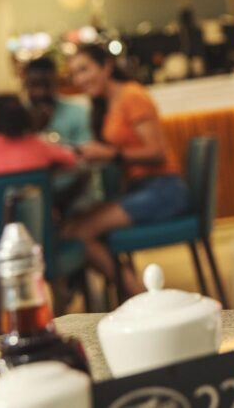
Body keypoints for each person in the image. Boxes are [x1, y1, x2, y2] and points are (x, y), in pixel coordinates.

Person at [62, 44, 188, 295]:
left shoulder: (131, 95)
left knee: (79, 233)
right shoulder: (106, 104)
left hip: (164, 189)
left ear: (107, 66)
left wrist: (110, 154)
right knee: (71, 227)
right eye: (74, 74)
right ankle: (126, 293)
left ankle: (140, 297)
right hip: (139, 189)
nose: (79, 79)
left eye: (84, 69)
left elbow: (157, 152)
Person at [24, 57, 92, 147]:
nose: (41, 92)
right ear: (26, 85)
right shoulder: (17, 116)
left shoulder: (77, 112)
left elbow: (86, 152)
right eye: (34, 85)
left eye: (46, 85)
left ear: (56, 83)